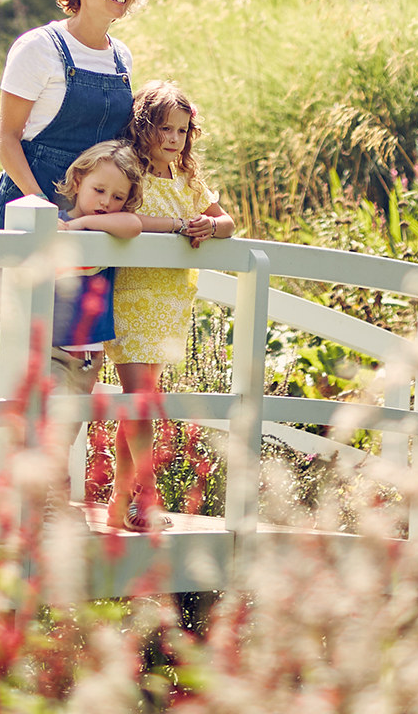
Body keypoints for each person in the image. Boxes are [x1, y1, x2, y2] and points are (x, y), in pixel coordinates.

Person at [0, 0, 152, 386]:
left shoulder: (120, 58)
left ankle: (54, 456)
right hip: (31, 210)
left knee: (73, 357)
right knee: (11, 352)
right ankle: (9, 452)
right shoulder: (38, 48)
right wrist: (45, 211)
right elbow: (7, 140)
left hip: (94, 216)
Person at [104, 81, 233, 530]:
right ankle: (148, 497)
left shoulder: (190, 179)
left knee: (139, 405)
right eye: (164, 129)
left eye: (182, 130)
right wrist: (179, 225)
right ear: (144, 129)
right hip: (131, 300)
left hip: (170, 302)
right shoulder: (130, 173)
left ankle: (122, 503)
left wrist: (208, 227)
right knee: (140, 402)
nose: (174, 139)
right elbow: (127, 219)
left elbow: (228, 223)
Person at [49, 141, 149, 391]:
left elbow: (134, 225)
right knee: (47, 422)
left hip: (88, 353)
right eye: (99, 190)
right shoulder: (55, 223)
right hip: (50, 346)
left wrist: (83, 223)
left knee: (69, 425)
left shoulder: (107, 229)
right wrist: (73, 225)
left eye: (118, 197)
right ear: (77, 182)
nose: (106, 202)